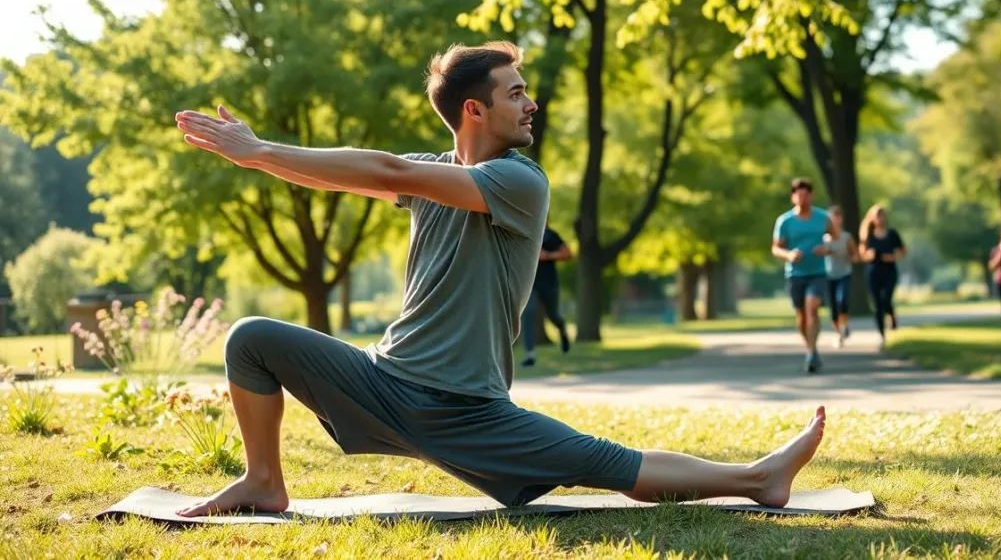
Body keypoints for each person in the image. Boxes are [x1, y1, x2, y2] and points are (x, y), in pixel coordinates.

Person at [171, 41, 826, 517]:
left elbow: (389, 173)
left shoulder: (518, 181)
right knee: (251, 339)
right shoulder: (433, 177)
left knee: (611, 467)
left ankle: (755, 479)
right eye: (516, 92)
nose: (531, 103)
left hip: (466, 410)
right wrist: (260, 160)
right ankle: (263, 481)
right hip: (383, 383)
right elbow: (356, 174)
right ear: (474, 111)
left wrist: (259, 151)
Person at [772, 179, 836, 373]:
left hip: (817, 272)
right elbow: (776, 248)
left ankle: (811, 352)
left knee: (812, 306)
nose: (803, 198)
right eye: (799, 195)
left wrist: (826, 248)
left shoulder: (823, 217)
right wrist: (789, 255)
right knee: (801, 316)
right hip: (795, 274)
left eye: (806, 195)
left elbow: (835, 238)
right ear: (793, 197)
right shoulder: (785, 221)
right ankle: (811, 348)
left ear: (812, 195)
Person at [519, 224, 573, 367]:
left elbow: (568, 254)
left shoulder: (550, 234)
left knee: (553, 316)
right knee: (528, 314)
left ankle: (562, 330)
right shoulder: (523, 230)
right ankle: (529, 355)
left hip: (549, 283)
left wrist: (547, 255)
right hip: (530, 284)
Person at [858, 204, 905, 346]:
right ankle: (882, 334)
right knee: (877, 303)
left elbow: (902, 251)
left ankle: (891, 314)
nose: (879, 218)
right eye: (877, 215)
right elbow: (862, 253)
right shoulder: (867, 234)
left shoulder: (892, 234)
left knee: (886, 298)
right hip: (873, 271)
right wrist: (868, 255)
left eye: (881, 215)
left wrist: (893, 257)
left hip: (889, 270)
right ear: (872, 218)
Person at [823, 205, 857, 347]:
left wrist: (851, 257)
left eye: (838, 217)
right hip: (828, 275)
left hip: (844, 273)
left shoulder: (846, 237)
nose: (835, 221)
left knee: (842, 301)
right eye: (832, 218)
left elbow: (854, 254)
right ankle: (838, 333)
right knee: (833, 308)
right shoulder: (824, 238)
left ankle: (844, 324)